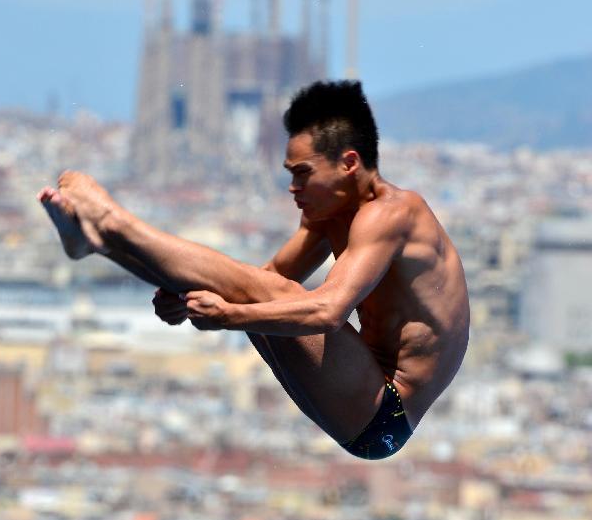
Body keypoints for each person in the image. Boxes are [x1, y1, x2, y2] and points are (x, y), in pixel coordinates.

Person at [37, 80, 470, 460]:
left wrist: (228, 317)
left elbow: (327, 313)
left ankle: (110, 224)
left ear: (349, 164)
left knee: (271, 293)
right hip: (360, 392)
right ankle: (95, 243)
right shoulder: (330, 211)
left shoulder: (392, 214)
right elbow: (258, 281)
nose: (293, 188)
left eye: (303, 174)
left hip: (386, 413)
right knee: (264, 287)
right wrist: (187, 298)